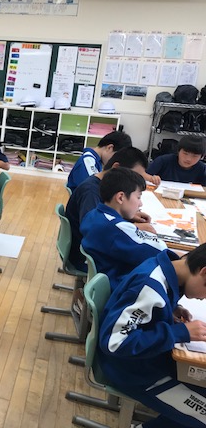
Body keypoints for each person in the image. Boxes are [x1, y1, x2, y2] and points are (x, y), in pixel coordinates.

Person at [98, 244, 206, 428]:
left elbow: (145, 310)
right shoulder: (149, 286)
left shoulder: (166, 269)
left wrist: (171, 309)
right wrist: (180, 332)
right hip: (134, 373)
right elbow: (115, 342)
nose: (203, 298)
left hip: (151, 362)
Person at [66, 147, 154, 272]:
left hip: (96, 251)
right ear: (116, 168)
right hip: (86, 258)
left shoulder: (103, 187)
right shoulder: (91, 192)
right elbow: (93, 229)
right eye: (132, 175)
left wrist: (129, 216)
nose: (135, 182)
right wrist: (134, 227)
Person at [81, 167, 168, 290]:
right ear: (121, 197)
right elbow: (159, 252)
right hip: (119, 287)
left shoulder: (94, 214)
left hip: (104, 279)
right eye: (138, 197)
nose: (140, 204)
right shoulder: (115, 228)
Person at [66, 131, 132, 192]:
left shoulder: (96, 161)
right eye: (116, 157)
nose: (115, 161)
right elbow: (92, 188)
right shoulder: (88, 161)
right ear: (109, 148)